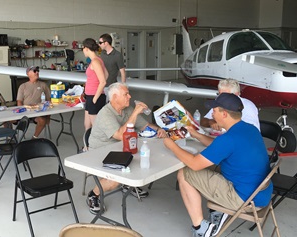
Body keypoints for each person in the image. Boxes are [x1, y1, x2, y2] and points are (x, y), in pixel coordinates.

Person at [163, 93, 272, 237]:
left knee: (184, 173)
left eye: (215, 110)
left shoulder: (228, 139)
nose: (212, 114)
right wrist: (198, 135)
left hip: (245, 200)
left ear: (224, 114)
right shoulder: (249, 129)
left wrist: (170, 145)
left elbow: (194, 165)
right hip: (261, 193)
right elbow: (221, 147)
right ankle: (217, 212)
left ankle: (201, 228)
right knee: (208, 166)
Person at [86, 82, 168, 214]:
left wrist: (161, 130)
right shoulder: (105, 113)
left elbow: (145, 126)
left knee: (147, 156)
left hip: (121, 149)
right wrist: (135, 112)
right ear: (114, 98)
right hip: (101, 151)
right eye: (126, 94)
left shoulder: (127, 109)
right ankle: (93, 194)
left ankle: (127, 185)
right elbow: (120, 135)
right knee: (114, 180)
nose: (129, 96)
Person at [16, 66, 51, 139]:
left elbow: (49, 100)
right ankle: (11, 138)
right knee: (7, 119)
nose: (37, 72)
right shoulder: (23, 86)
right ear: (28, 73)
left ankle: (34, 137)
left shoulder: (43, 85)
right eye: (35, 71)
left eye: (38, 71)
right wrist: (21, 113)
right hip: (25, 111)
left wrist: (48, 116)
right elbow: (19, 101)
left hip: (38, 112)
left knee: (42, 120)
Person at [82, 38, 108, 131]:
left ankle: (96, 145)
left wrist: (95, 98)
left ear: (86, 48)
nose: (83, 51)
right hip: (90, 96)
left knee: (96, 128)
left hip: (94, 96)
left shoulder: (95, 62)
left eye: (83, 49)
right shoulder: (97, 60)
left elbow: (103, 81)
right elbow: (106, 74)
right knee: (87, 124)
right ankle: (86, 146)